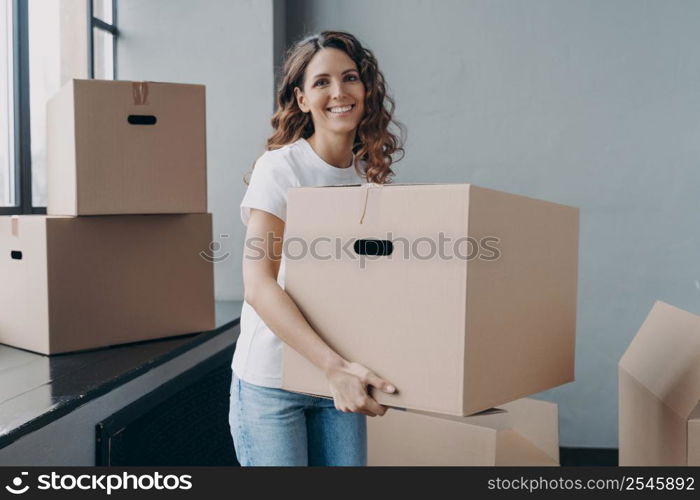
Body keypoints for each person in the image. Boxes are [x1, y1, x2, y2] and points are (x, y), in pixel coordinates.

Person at [229, 30, 404, 466]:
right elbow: (258, 286)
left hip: (338, 379)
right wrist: (334, 367)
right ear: (302, 99)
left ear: (366, 90)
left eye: (349, 78)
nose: (339, 92)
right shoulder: (281, 169)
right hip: (274, 384)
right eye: (321, 82)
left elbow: (371, 287)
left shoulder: (368, 176)